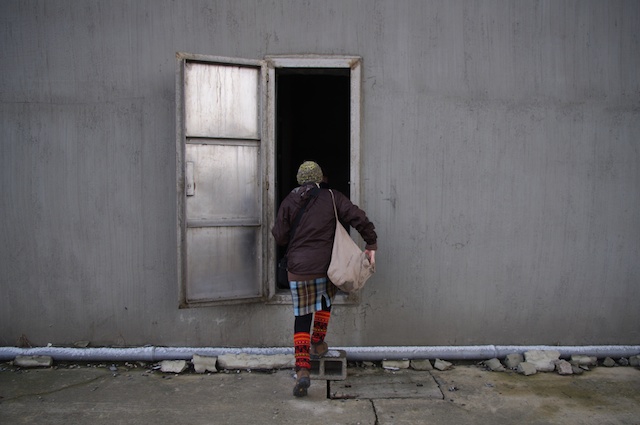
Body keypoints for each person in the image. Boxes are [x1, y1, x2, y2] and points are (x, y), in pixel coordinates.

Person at [272, 160, 378, 397]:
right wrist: (371, 242)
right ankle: (318, 343)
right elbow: (357, 216)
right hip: (325, 267)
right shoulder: (332, 197)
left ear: (300, 179)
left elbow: (280, 237)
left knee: (302, 317)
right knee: (324, 301)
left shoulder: (289, 201)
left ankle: (302, 368)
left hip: (298, 269)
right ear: (320, 178)